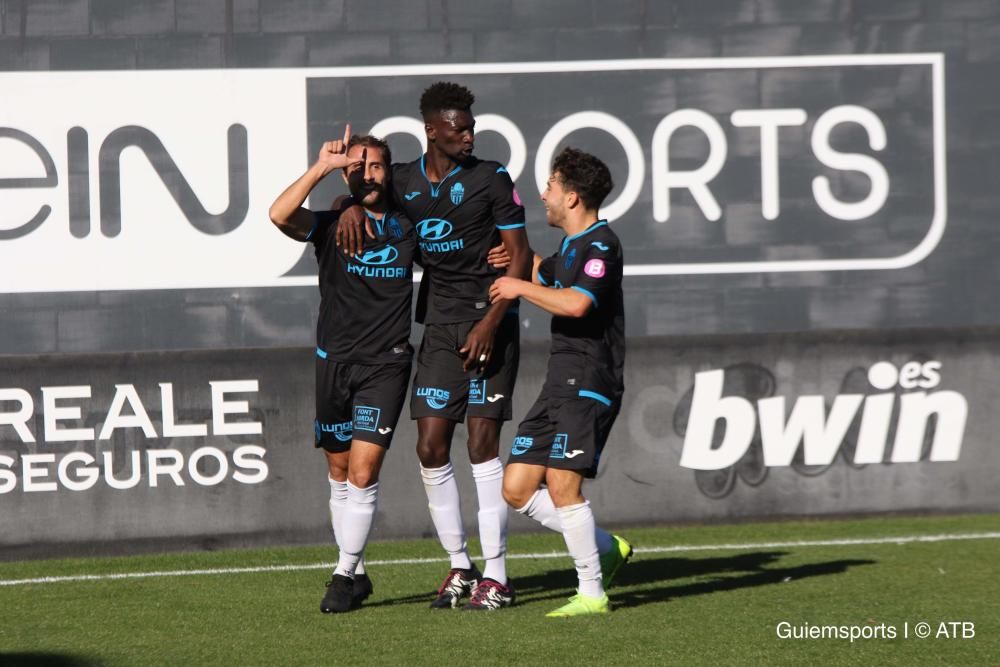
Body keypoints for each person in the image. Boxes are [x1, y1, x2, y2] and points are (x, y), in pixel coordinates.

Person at [337, 82, 533, 610]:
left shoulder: (491, 178)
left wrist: (493, 321)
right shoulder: (402, 182)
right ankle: (461, 566)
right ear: (432, 130)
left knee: (481, 445)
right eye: (459, 128)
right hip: (440, 327)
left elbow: (520, 254)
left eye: (471, 126)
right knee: (429, 448)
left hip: (490, 322)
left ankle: (499, 575)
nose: (470, 134)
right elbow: (364, 196)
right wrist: (348, 208)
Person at [269, 127, 416, 614]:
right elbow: (278, 215)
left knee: (362, 471)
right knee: (337, 472)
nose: (366, 174)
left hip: (386, 364)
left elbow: (455, 255)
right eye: (357, 167)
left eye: (375, 166)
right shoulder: (333, 222)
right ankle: (356, 570)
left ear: (388, 171)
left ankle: (342, 575)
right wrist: (321, 169)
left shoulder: (409, 225)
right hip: (334, 363)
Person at [489, 147, 632, 617]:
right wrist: (512, 256)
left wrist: (519, 288)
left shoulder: (602, 245)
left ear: (572, 197)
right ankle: (607, 547)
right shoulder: (570, 247)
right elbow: (540, 270)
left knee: (563, 486)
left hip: (591, 380)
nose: (543, 194)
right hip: (559, 383)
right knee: (516, 488)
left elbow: (575, 304)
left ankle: (592, 593)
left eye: (550, 186)